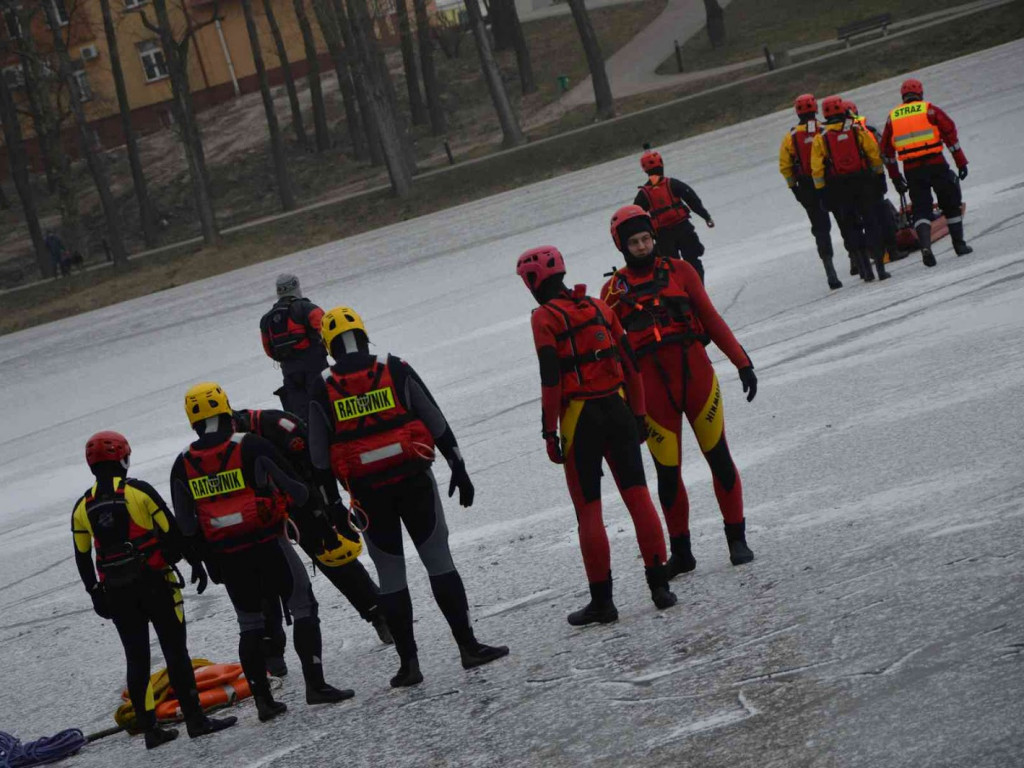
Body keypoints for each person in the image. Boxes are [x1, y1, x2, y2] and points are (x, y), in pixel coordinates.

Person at [308, 307, 508, 688]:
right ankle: (468, 647)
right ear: (363, 335)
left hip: (368, 497)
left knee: (390, 576)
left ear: (329, 347)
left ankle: (409, 666)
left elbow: (318, 458)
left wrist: (332, 507)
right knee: (439, 562)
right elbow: (435, 418)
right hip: (415, 483)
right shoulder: (394, 367)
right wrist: (458, 466)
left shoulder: (322, 387)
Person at [170, 382, 353, 722]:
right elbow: (298, 491)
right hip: (270, 545)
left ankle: (263, 702)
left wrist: (205, 558)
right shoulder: (251, 445)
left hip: (228, 556)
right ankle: (315, 685)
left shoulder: (182, 463)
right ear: (226, 409)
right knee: (303, 605)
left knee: (249, 624)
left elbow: (186, 525)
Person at [517, 246, 676, 625]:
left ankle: (603, 603)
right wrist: (639, 414)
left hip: (580, 419)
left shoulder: (543, 318)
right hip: (618, 411)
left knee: (589, 511)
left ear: (533, 281)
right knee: (639, 497)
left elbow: (551, 380)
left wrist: (549, 431)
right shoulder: (599, 306)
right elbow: (631, 364)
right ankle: (660, 587)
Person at [600, 206, 756, 575]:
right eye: (634, 242)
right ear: (622, 246)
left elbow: (711, 318)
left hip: (697, 380)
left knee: (720, 459)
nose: (642, 246)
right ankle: (682, 553)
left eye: (646, 239)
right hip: (652, 395)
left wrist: (742, 362)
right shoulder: (611, 292)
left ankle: (737, 539)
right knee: (668, 474)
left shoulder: (681, 272)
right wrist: (621, 405)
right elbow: (611, 354)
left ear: (654, 237)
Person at [72, 431, 236, 749]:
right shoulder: (139, 491)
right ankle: (196, 720)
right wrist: (195, 563)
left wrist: (95, 593)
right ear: (123, 458)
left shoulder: (82, 507)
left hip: (117, 593)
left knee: (136, 659)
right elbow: (173, 533)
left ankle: (151, 731)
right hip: (156, 585)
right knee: (175, 652)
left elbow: (82, 556)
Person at [230, 406, 393, 678]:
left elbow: (318, 465)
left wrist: (330, 507)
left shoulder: (279, 426)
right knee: (265, 583)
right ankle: (272, 651)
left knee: (337, 561)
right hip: (261, 516)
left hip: (305, 504)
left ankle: (379, 613)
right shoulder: (218, 449)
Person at [881, 78, 972, 266]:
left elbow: (887, 152)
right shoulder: (929, 110)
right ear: (920, 93)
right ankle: (959, 245)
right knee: (951, 203)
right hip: (936, 164)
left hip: (912, 170)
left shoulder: (893, 117)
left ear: (903, 96)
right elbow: (950, 135)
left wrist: (895, 177)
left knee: (921, 209)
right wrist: (961, 162)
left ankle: (925, 248)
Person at [811, 95, 889, 282]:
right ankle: (880, 268)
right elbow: (873, 154)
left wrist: (822, 191)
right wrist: (880, 176)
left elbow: (817, 169)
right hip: (863, 183)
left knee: (851, 228)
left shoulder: (820, 138)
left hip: (839, 188)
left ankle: (865, 271)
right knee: (871, 224)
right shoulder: (856, 130)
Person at [779, 94, 843, 290]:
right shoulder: (825, 130)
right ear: (816, 109)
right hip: (831, 184)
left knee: (820, 229)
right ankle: (857, 261)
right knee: (845, 220)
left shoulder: (790, 137)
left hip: (807, 188)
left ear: (797, 112)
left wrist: (794, 190)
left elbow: (785, 166)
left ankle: (830, 270)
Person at [633, 147, 715, 283]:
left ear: (645, 170)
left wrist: (646, 238)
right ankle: (699, 288)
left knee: (672, 267)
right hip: (683, 228)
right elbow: (693, 200)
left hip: (663, 235)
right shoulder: (673, 184)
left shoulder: (644, 194)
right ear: (661, 165)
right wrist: (706, 217)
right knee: (693, 261)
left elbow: (637, 217)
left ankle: (681, 290)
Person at [843, 99, 906, 267]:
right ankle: (892, 250)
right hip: (871, 178)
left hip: (846, 185)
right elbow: (882, 151)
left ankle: (857, 259)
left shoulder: (828, 135)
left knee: (855, 220)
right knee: (881, 213)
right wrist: (891, 175)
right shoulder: (865, 127)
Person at [259, 274, 329, 416]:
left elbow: (268, 350)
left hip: (290, 373)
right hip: (315, 368)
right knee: (325, 408)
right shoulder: (308, 308)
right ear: (296, 287)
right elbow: (328, 332)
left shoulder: (267, 319)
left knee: (301, 415)